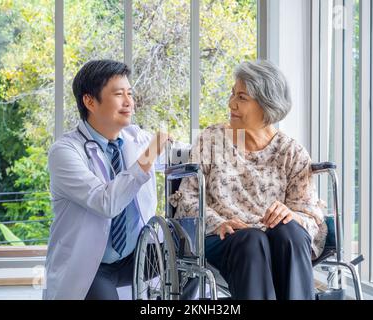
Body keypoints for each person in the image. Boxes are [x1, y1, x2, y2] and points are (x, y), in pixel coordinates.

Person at [171, 60, 328, 300]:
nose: (231, 103)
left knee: (290, 232)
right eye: (233, 94)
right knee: (252, 240)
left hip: (279, 241)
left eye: (242, 97)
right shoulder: (212, 140)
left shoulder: (292, 152)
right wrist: (218, 223)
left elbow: (311, 217)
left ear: (266, 105)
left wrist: (291, 214)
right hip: (225, 239)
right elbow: (188, 200)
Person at [43, 59, 172, 300]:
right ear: (90, 101)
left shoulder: (136, 137)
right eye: (118, 94)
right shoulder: (65, 152)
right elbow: (106, 202)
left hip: (137, 257)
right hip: (90, 265)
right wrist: (148, 156)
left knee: (189, 261)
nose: (129, 102)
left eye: (130, 94)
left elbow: (188, 155)